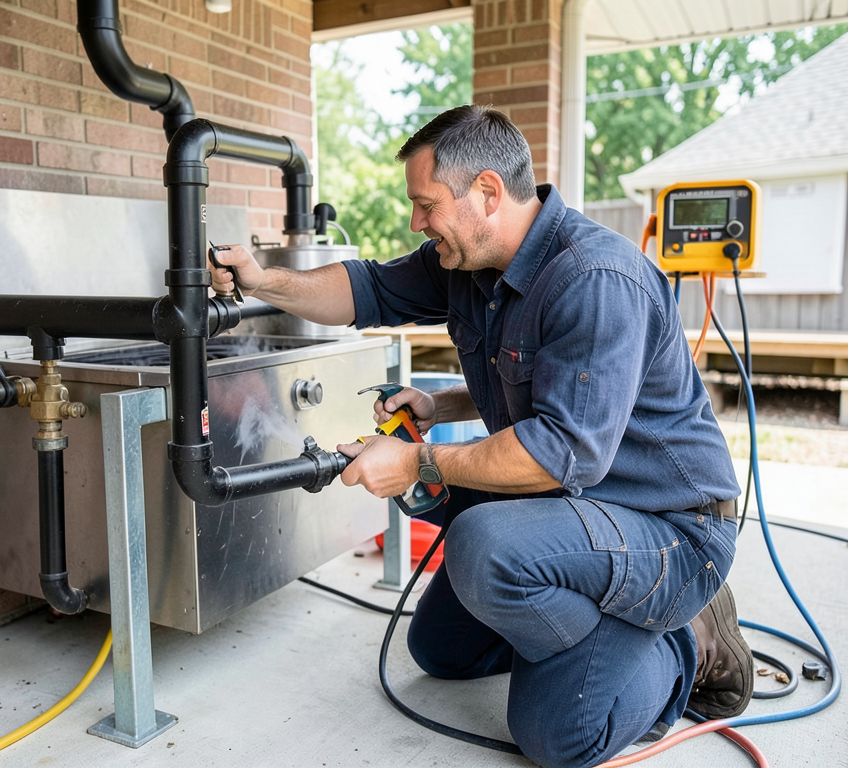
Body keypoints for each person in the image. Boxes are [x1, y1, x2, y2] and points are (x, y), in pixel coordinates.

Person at [208, 104, 753, 768]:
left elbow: (561, 450)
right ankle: (601, 627)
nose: (416, 221)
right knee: (440, 650)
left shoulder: (594, 279)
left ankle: (683, 640)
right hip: (581, 507)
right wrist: (266, 280)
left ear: (487, 193)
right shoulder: (467, 265)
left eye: (426, 204)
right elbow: (368, 289)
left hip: (669, 527)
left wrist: (416, 460)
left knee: (547, 702)